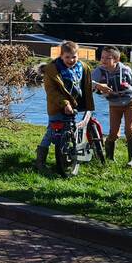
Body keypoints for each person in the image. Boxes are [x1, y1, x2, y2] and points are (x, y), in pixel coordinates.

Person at [36, 40, 94, 168]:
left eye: (74, 57)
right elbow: (52, 91)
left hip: (74, 106)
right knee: (51, 132)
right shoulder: (52, 70)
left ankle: (64, 159)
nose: (71, 60)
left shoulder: (82, 67)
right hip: (56, 106)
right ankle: (40, 161)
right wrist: (65, 103)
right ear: (61, 56)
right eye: (67, 57)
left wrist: (98, 86)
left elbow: (84, 83)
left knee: (69, 130)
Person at [92, 46, 132, 169]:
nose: (103, 60)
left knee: (130, 130)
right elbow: (87, 82)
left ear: (116, 59)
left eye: (107, 58)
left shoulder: (125, 70)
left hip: (131, 102)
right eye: (102, 57)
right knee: (114, 133)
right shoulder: (99, 71)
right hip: (114, 105)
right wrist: (98, 85)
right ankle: (109, 158)